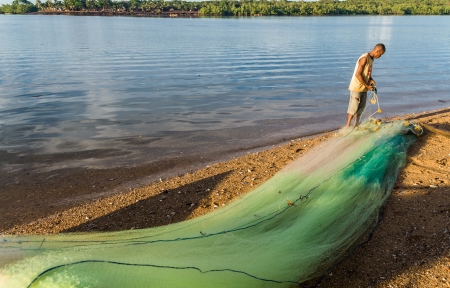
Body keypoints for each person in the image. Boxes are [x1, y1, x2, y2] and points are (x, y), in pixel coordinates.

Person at [346, 43, 386, 127]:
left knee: (361, 108)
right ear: (377, 51)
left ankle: (355, 125)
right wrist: (367, 86)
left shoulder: (371, 59)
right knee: (353, 108)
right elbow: (358, 74)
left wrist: (370, 79)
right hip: (356, 87)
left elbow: (367, 73)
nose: (380, 56)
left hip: (364, 88)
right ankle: (347, 125)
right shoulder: (364, 58)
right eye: (380, 54)